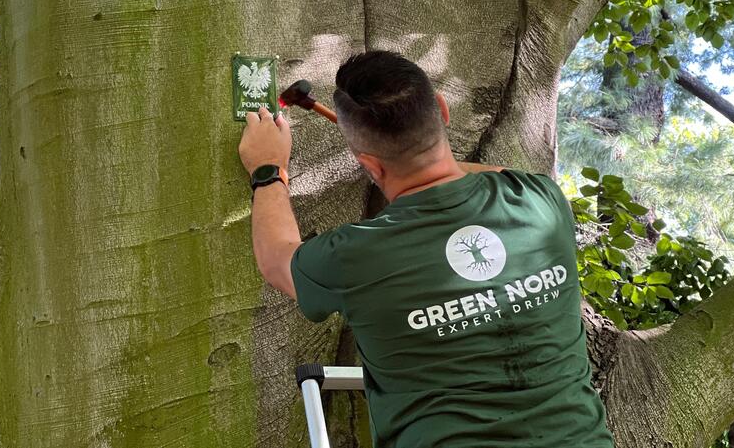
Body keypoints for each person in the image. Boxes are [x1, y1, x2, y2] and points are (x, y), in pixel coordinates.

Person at [238, 50, 615, 447]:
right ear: (441, 109)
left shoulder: (357, 255)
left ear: (368, 164)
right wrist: (400, 156)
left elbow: (277, 259)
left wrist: (267, 169)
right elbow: (484, 175)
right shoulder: (541, 200)